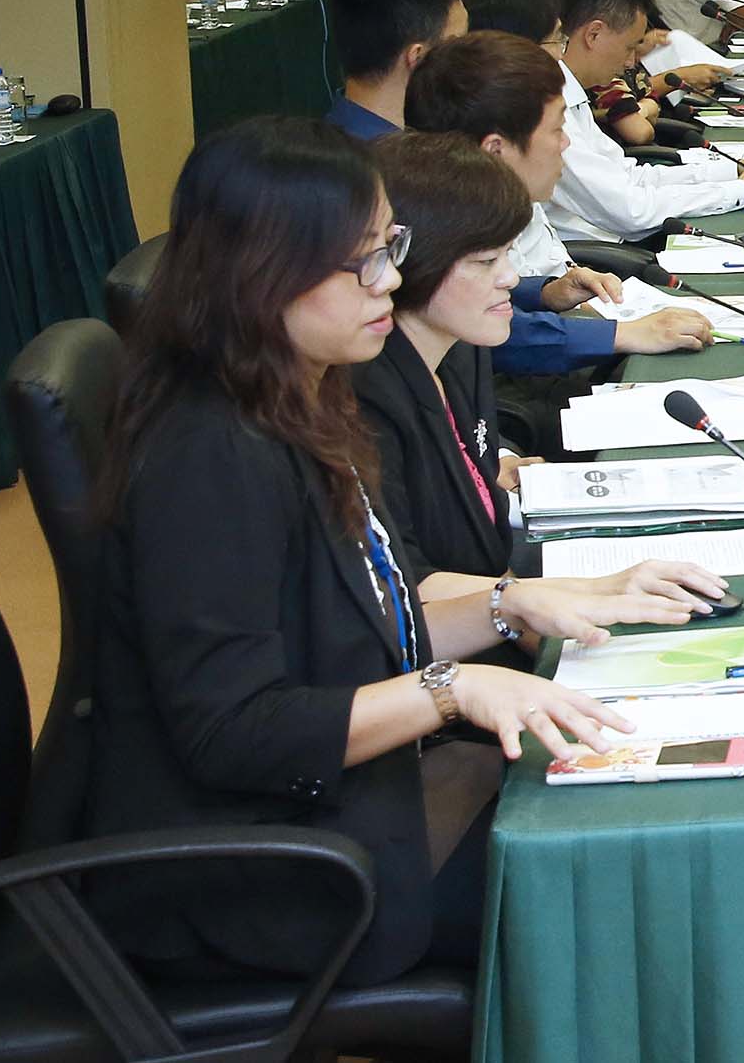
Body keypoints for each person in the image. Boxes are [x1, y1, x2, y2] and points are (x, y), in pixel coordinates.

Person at [82, 118, 634, 987]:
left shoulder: (302, 395)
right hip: (254, 869)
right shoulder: (207, 453)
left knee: (609, 806)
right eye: (362, 262)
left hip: (346, 803)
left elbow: (358, 620)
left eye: (391, 248)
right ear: (263, 273)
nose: (391, 280)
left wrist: (509, 604)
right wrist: (450, 687)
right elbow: (234, 730)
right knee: (612, 887)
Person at [353, 133, 729, 630]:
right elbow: (408, 589)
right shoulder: (365, 402)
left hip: (495, 579)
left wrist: (489, 475)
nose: (511, 277)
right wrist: (567, 603)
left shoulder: (461, 348)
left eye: (507, 255)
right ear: (408, 262)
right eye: (486, 262)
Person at [405, 31, 712, 374]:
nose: (566, 144)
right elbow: (496, 336)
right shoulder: (441, 227)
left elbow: (507, 296)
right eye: (556, 130)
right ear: (496, 151)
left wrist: (547, 293)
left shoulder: (498, 195)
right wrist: (619, 334)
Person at [546, 0, 744, 242]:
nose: (630, 62)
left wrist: (733, 171)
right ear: (594, 34)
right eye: (629, 48)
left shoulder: (572, 95)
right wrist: (741, 190)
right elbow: (631, 211)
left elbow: (631, 177)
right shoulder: (548, 108)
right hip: (600, 254)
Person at [325, 0, 467, 140]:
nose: (469, 58)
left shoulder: (329, 138)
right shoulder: (401, 158)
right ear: (418, 57)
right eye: (458, 45)